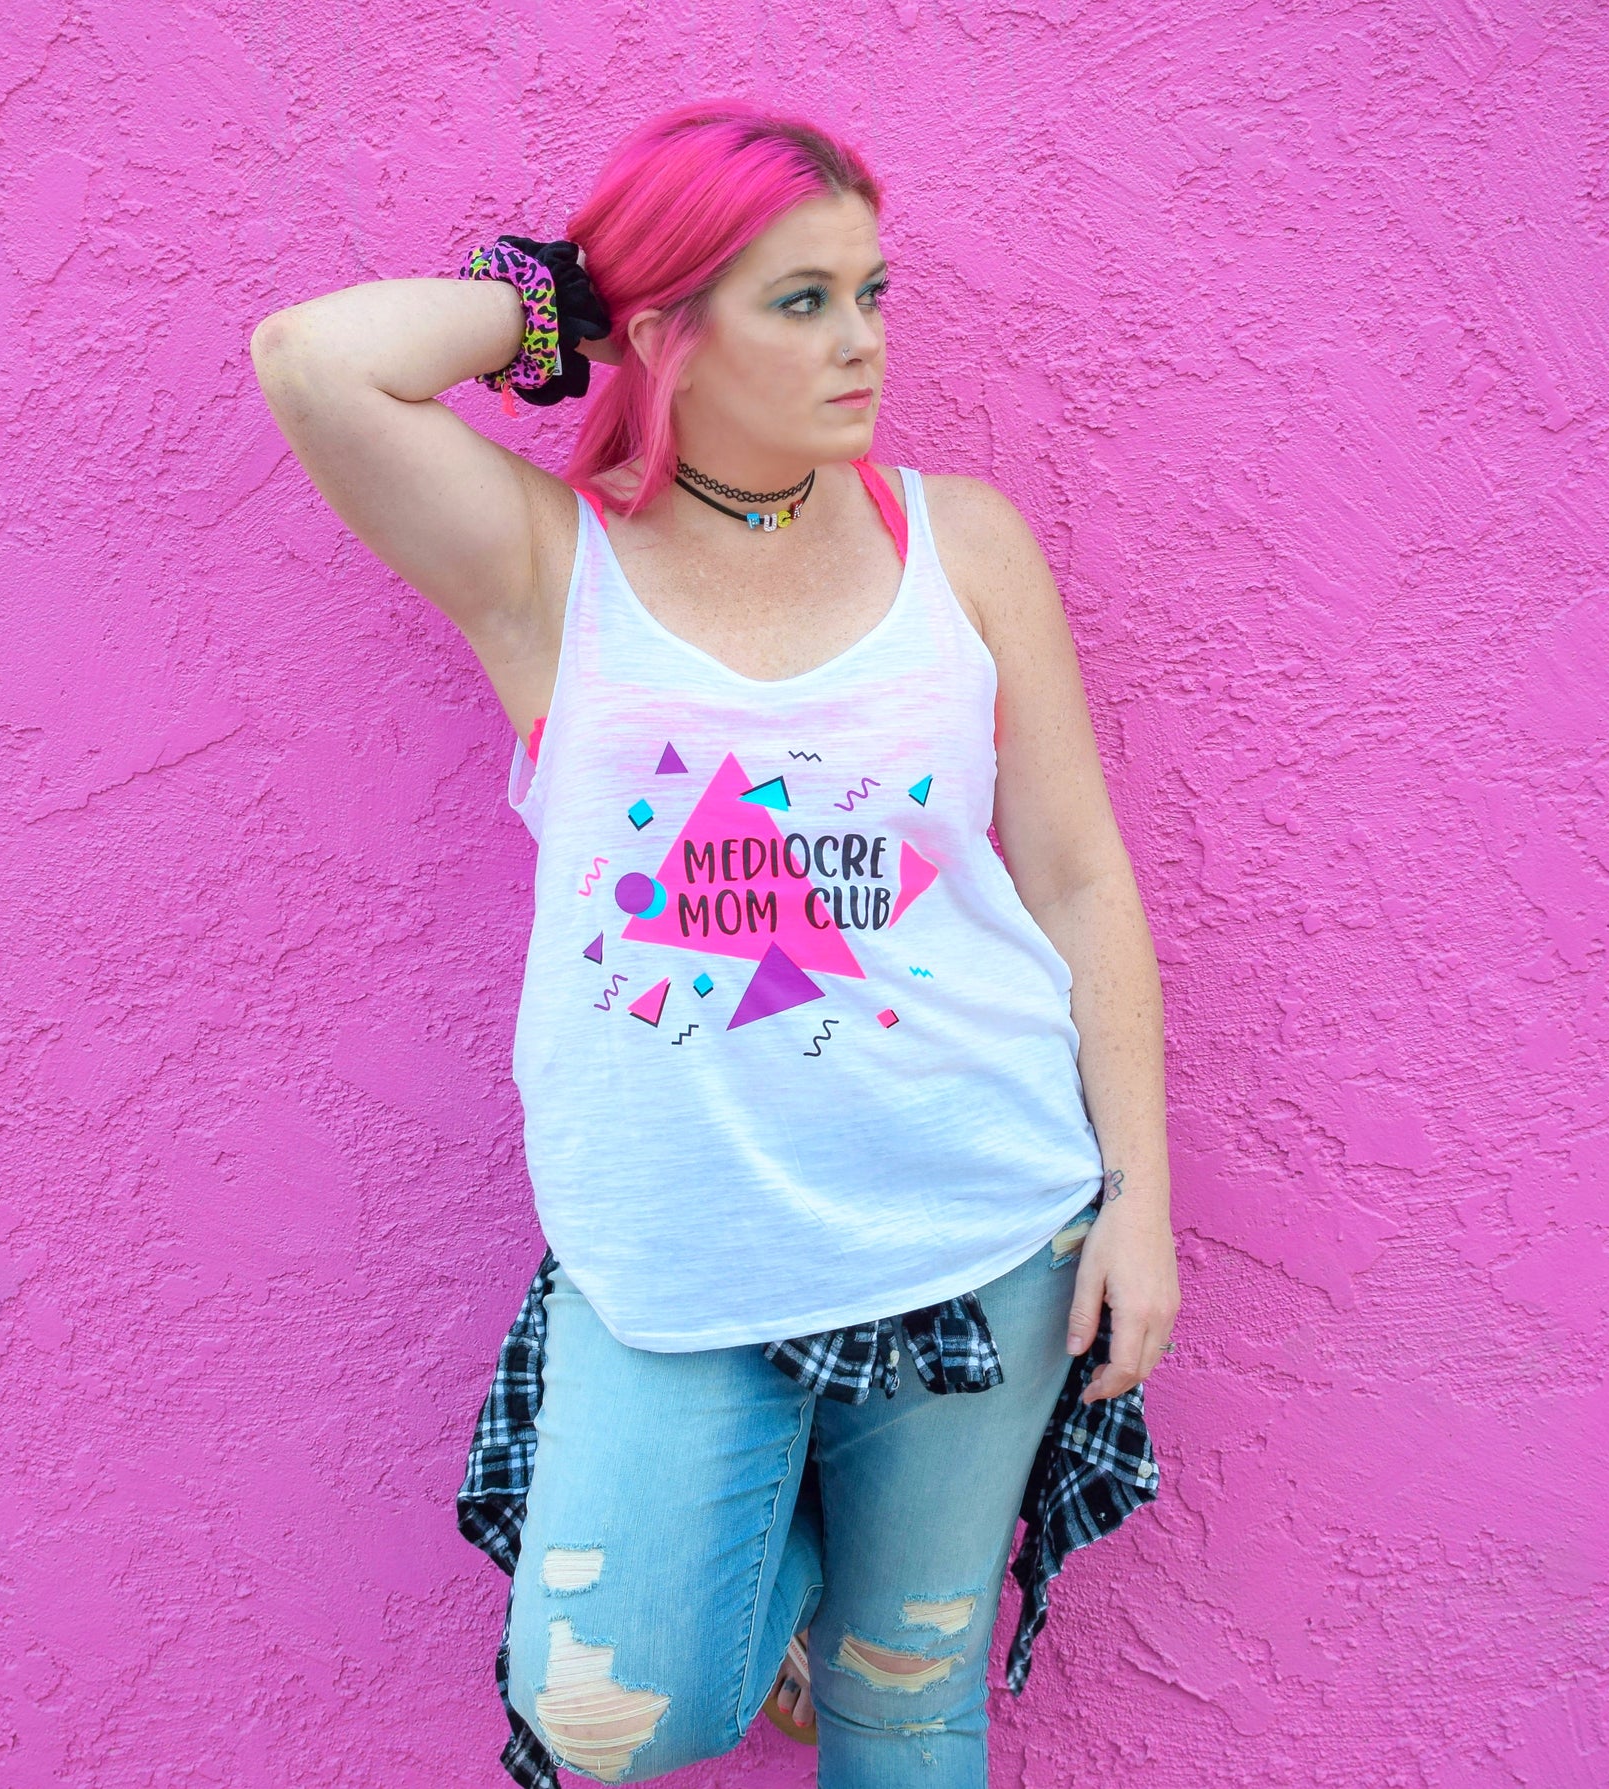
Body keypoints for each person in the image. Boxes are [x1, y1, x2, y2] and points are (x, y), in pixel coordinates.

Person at [251, 100, 1180, 1789]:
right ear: (671, 325)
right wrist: (579, 293)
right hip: (678, 1260)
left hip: (981, 1223)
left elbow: (1076, 878)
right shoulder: (551, 566)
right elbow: (316, 359)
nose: (861, 343)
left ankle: (837, 1619)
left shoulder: (959, 547)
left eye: (872, 293)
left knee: (909, 1696)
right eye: (800, 300)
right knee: (612, 1710)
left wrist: (1140, 1202)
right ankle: (774, 1590)